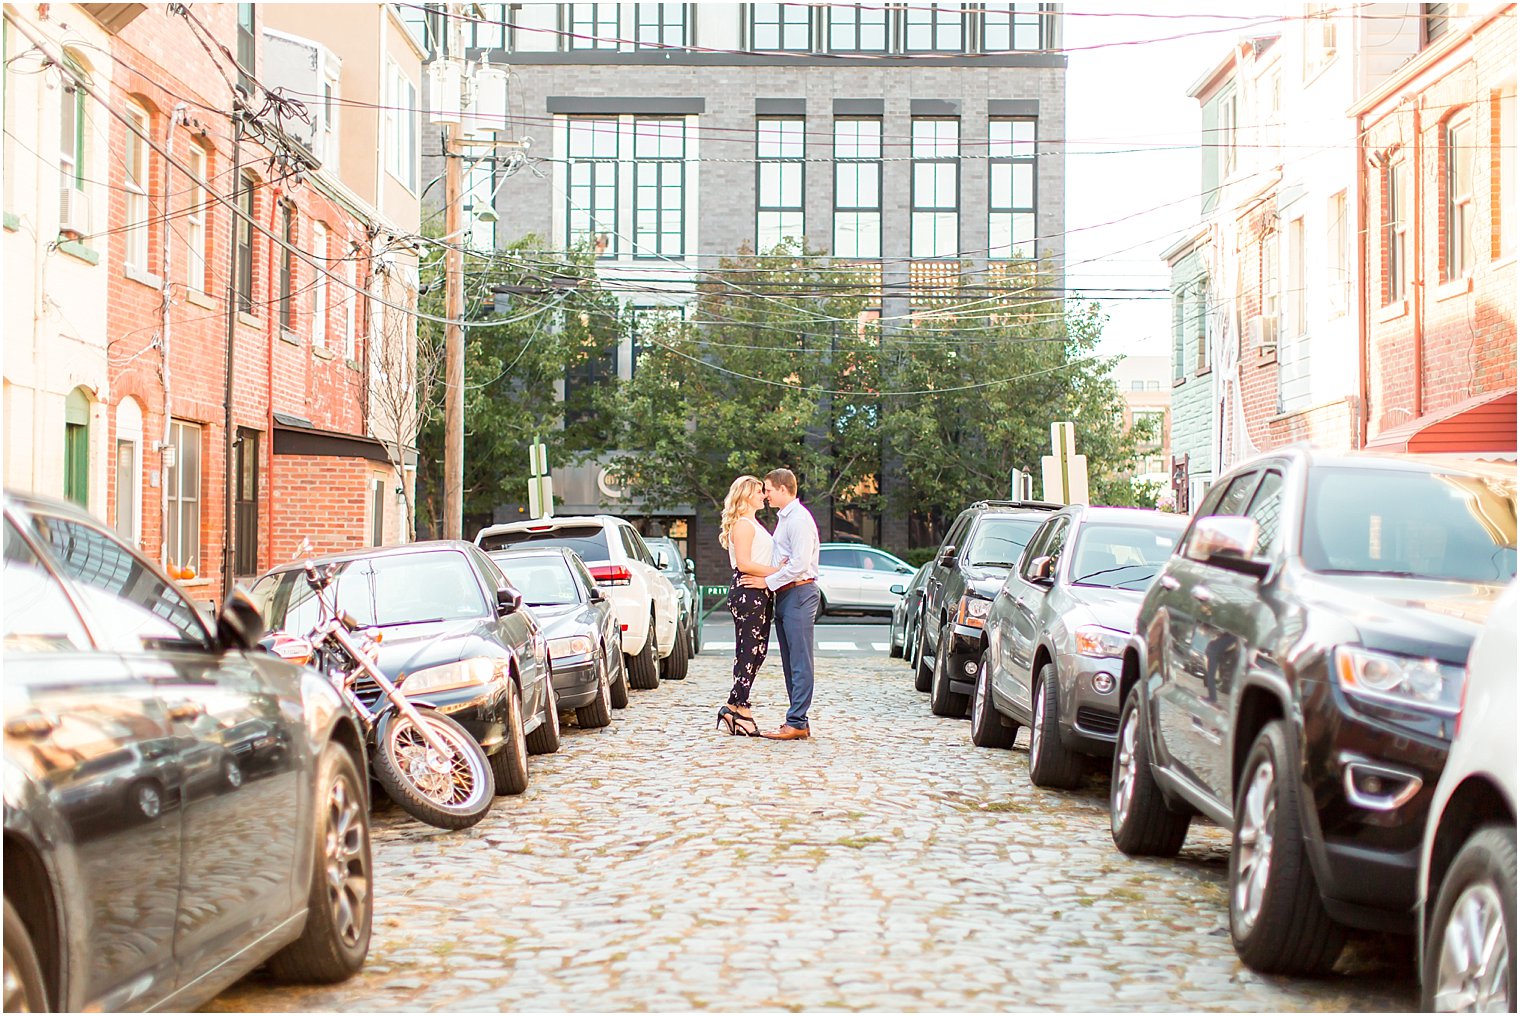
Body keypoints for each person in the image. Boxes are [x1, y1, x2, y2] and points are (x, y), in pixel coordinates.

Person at [739, 468, 820, 740]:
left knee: (800, 660)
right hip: (786, 594)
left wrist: (767, 582)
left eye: (768, 489)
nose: (765, 494)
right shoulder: (785, 519)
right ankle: (798, 721)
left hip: (799, 592)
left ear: (783, 489)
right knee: (789, 661)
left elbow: (800, 564)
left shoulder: (798, 520)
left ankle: (797, 721)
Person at [716, 475, 783, 736]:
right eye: (758, 491)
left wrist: (769, 578)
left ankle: (734, 706)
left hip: (760, 590)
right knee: (748, 651)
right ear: (744, 495)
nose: (764, 495)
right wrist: (776, 571)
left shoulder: (753, 523)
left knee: (758, 651)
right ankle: (740, 707)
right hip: (749, 592)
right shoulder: (743, 525)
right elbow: (743, 563)